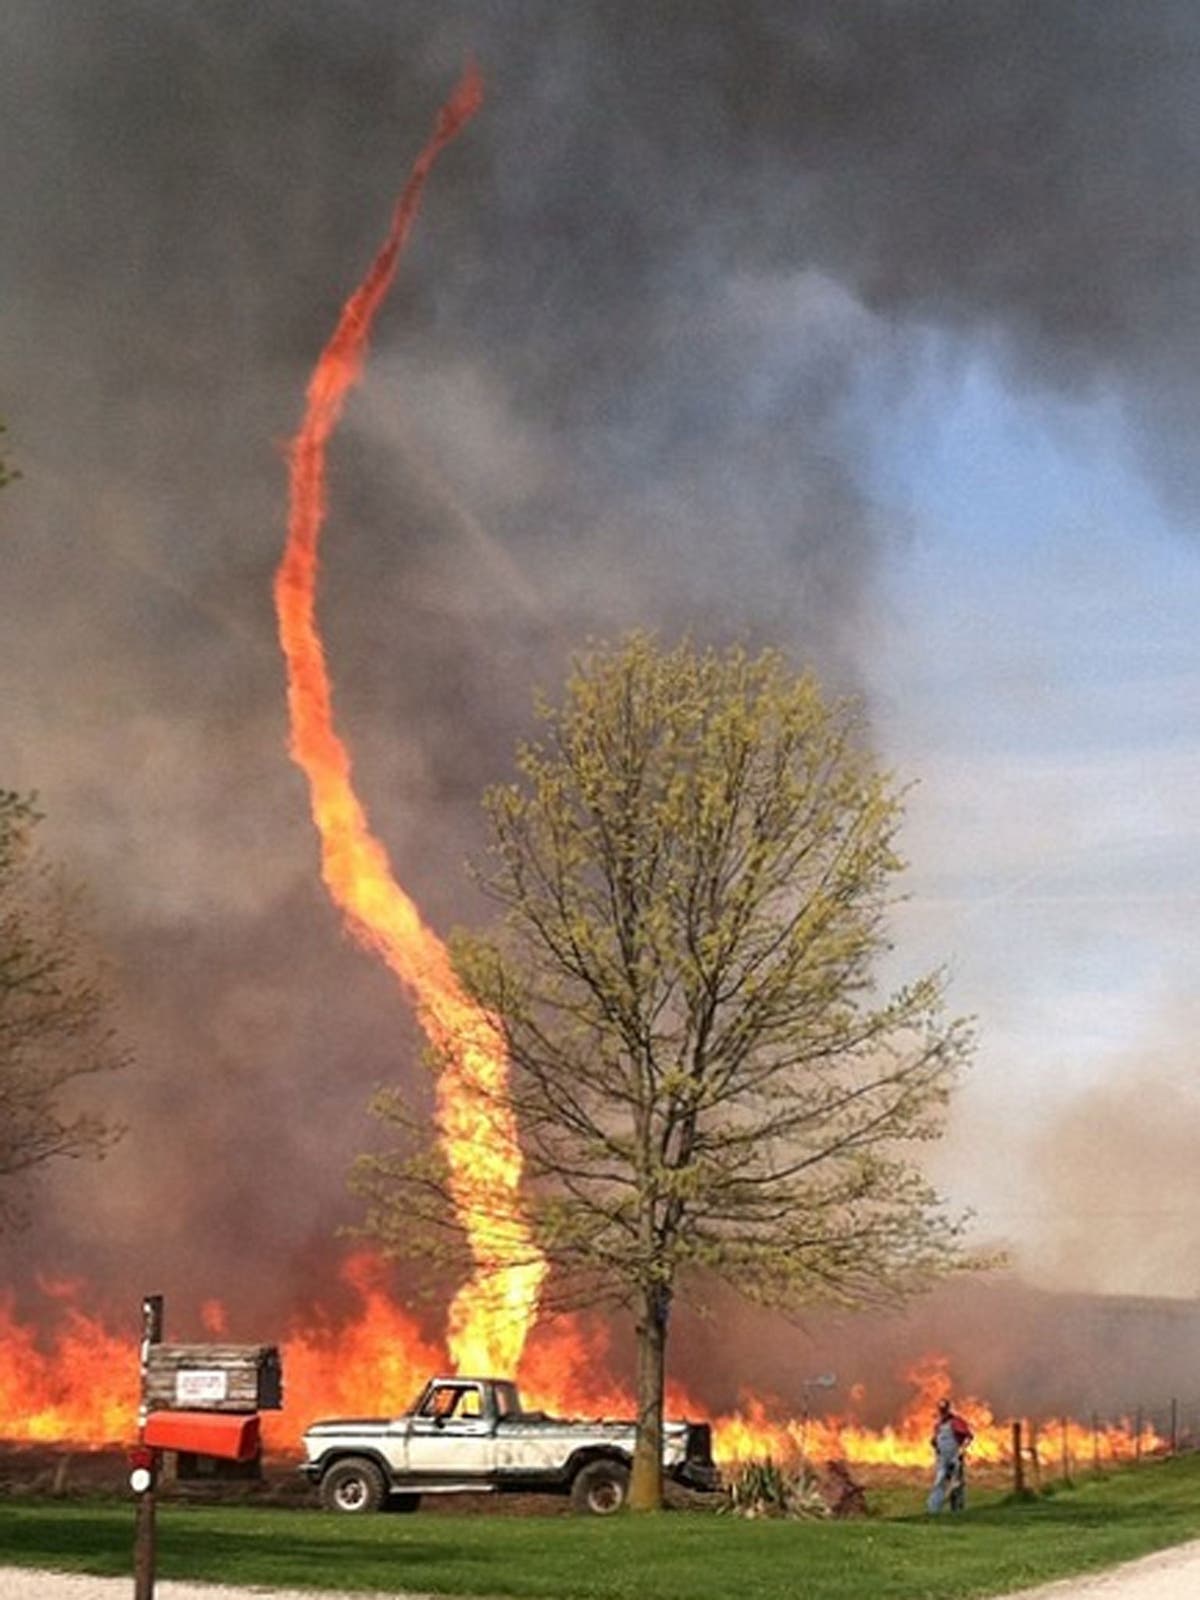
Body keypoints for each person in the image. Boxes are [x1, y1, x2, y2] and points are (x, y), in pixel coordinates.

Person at [927, 1397, 973, 1513]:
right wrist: (935, 1444)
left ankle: (957, 1509)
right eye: (941, 1410)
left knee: (956, 1483)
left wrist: (961, 1452)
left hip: (954, 1457)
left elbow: (968, 1437)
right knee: (939, 1481)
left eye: (944, 1410)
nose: (942, 1413)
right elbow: (935, 1440)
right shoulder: (938, 1425)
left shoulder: (956, 1422)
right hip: (942, 1459)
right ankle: (934, 1510)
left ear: (948, 1409)